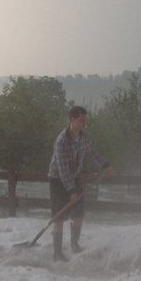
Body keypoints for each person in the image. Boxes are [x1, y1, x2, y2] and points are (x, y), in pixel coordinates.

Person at [47, 106, 113, 261]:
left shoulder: (84, 137)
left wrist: (105, 165)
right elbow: (63, 171)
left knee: (79, 212)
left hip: (75, 177)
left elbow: (93, 153)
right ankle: (57, 253)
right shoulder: (61, 141)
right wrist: (71, 191)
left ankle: (75, 244)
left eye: (85, 120)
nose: (84, 123)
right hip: (57, 179)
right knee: (59, 216)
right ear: (72, 120)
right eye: (81, 120)